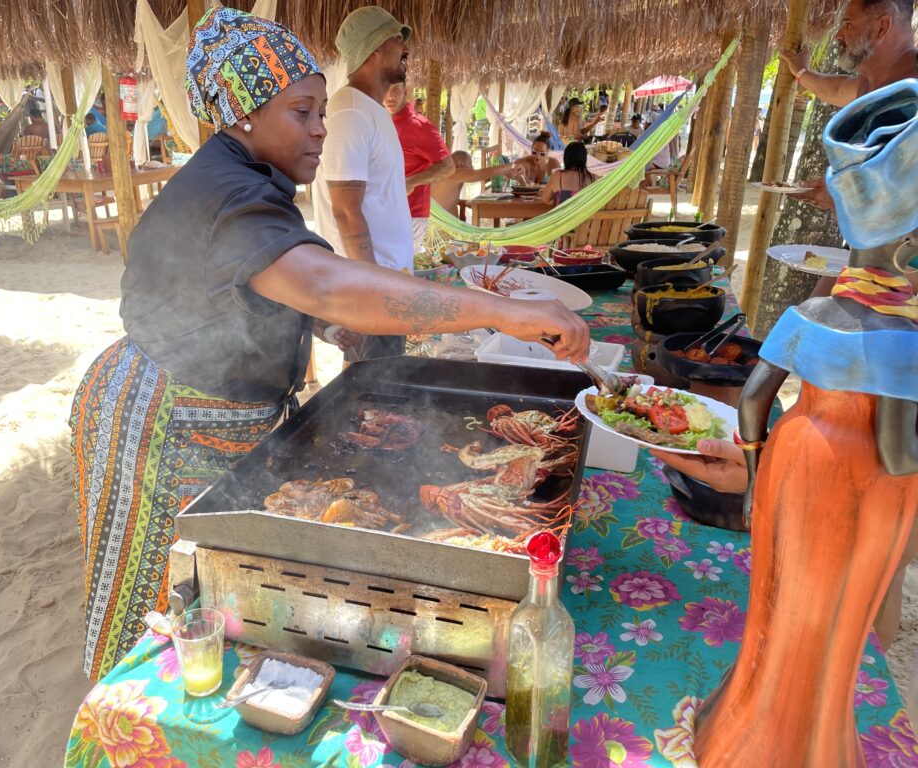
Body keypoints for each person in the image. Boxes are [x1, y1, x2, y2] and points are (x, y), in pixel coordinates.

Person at [70, 7, 591, 681]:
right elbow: (320, 285)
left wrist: (339, 330)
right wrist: (499, 313)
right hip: (160, 421)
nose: (321, 128)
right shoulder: (227, 191)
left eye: (321, 111)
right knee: (156, 623)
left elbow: (270, 294)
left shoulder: (255, 181)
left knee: (207, 619)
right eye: (303, 112)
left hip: (219, 412)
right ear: (246, 113)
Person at [313, 6, 414, 362]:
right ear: (373, 49)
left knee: (382, 401)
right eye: (396, 38)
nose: (406, 45)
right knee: (375, 403)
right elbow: (346, 211)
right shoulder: (350, 112)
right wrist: (374, 291)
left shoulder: (369, 110)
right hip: (372, 292)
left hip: (384, 287)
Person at [780, 0, 917, 211]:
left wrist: (844, 195)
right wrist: (801, 72)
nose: (838, 35)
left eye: (848, 23)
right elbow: (834, 89)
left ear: (882, 27)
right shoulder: (871, 83)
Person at [384, 82, 454, 253]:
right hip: (384, 209)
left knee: (405, 264)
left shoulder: (418, 125)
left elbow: (448, 166)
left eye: (396, 90)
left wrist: (412, 181)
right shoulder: (381, 121)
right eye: (386, 90)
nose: (390, 96)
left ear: (406, 92)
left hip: (411, 212)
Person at [431, 150, 515, 214]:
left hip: (444, 223)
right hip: (443, 228)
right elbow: (479, 174)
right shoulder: (455, 173)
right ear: (461, 164)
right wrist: (510, 166)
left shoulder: (446, 173)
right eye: (470, 164)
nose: (472, 167)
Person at [540, 141, 594, 206]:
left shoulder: (558, 176)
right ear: (584, 158)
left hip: (562, 215)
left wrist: (560, 200)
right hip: (585, 215)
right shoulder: (593, 178)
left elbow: (545, 199)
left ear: (565, 158)